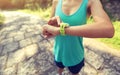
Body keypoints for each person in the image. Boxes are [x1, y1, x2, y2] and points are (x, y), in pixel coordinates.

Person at [42, 0, 114, 75]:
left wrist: (61, 30)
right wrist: (48, 29)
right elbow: (49, 25)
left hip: (75, 54)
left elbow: (108, 29)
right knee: (59, 67)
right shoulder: (56, 1)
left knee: (75, 72)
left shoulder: (91, 1)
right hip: (58, 51)